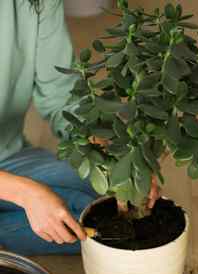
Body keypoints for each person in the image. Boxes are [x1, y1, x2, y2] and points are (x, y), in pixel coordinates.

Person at [0, 0, 159, 256]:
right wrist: (25, 193)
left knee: (96, 200)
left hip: (8, 158)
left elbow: (62, 95)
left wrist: (113, 160)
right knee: (75, 223)